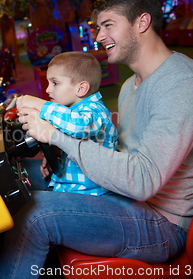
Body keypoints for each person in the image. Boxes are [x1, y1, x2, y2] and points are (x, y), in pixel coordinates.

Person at [0, 0, 193, 278]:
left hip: (162, 222)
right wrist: (56, 155)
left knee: (34, 214)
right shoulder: (132, 84)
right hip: (125, 199)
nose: (99, 36)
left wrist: (55, 135)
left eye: (108, 25)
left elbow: (143, 180)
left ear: (141, 22)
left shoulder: (182, 86)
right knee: (14, 182)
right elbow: (115, 148)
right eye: (98, 27)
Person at [16, 52, 118, 195]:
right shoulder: (69, 112)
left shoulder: (94, 111)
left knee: (31, 205)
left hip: (91, 193)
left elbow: (79, 125)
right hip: (70, 186)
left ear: (81, 89)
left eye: (55, 83)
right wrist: (53, 155)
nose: (48, 89)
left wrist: (40, 104)